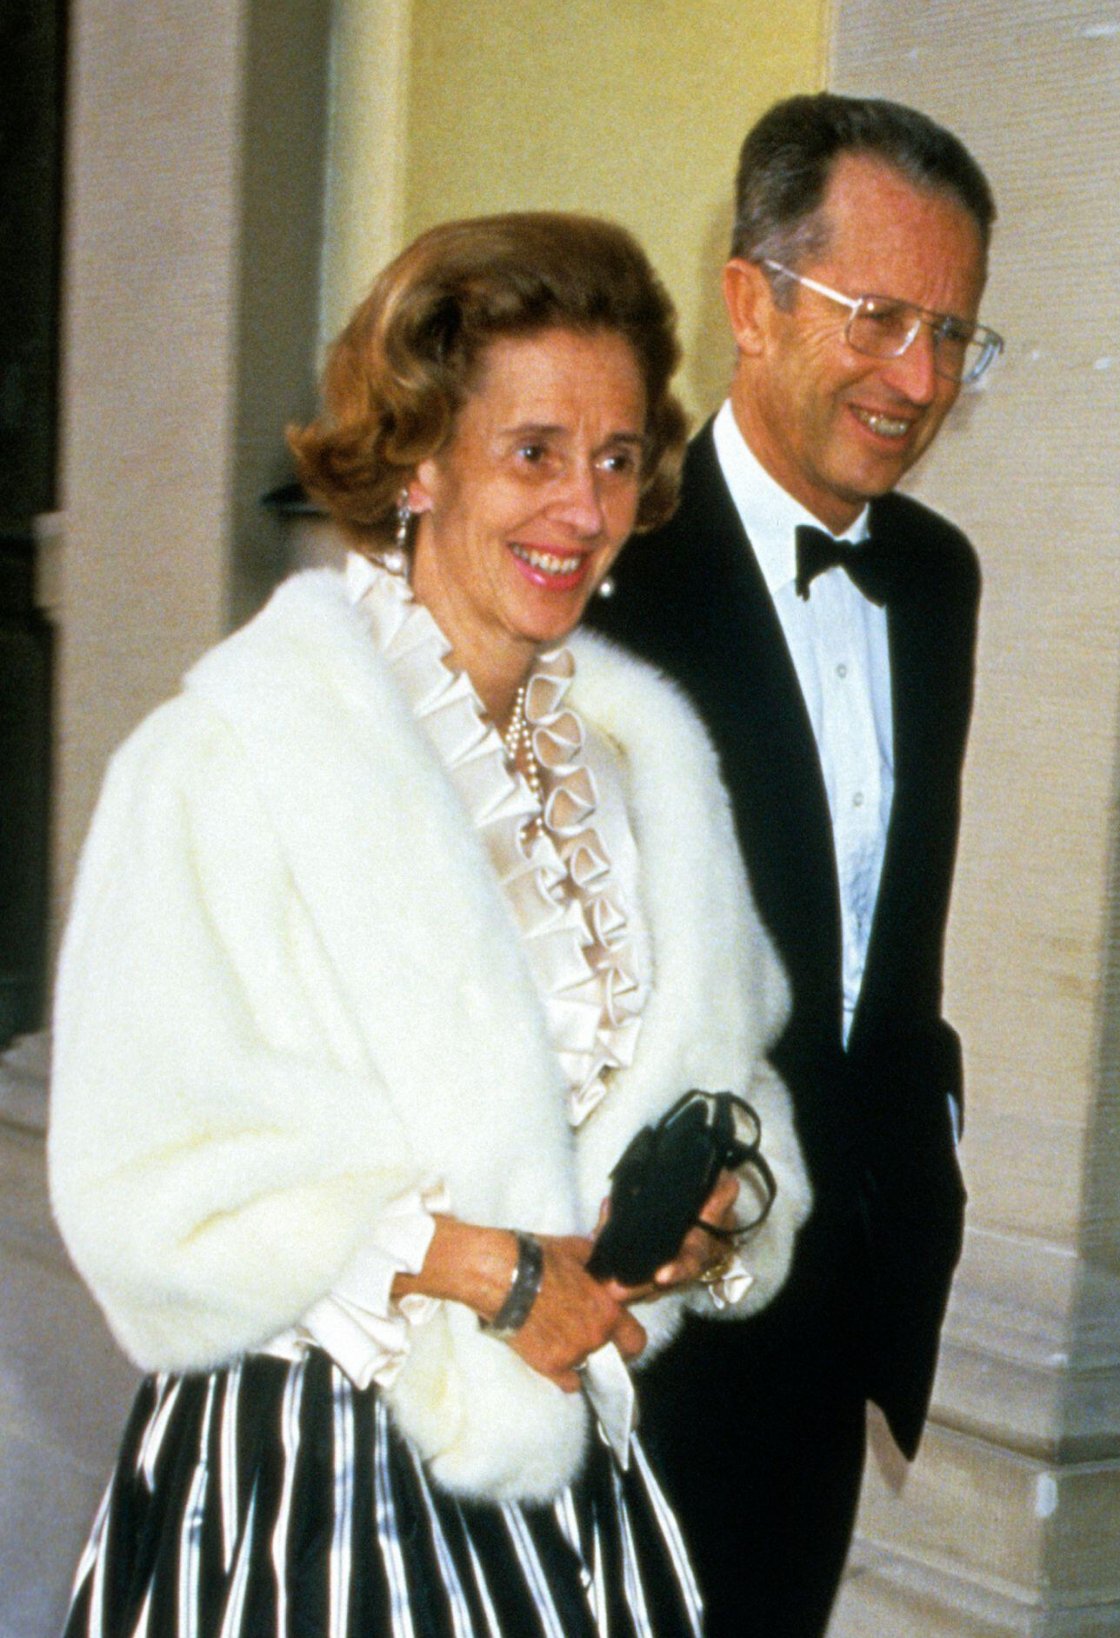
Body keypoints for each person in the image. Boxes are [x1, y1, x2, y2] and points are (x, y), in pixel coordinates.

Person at [48, 212, 810, 1638]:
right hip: (310, 1493)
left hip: (558, 1478)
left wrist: (706, 1219)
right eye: (534, 451)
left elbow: (728, 1074)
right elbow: (139, 1182)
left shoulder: (642, 772)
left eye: (619, 456)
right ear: (419, 458)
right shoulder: (231, 762)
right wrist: (485, 1265)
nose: (582, 509)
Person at [587, 94, 1000, 1635]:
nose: (921, 379)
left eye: (957, 334)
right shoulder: (600, 569)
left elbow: (881, 951)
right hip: (628, 1321)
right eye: (880, 315)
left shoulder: (940, 580)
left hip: (838, 1313)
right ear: (751, 301)